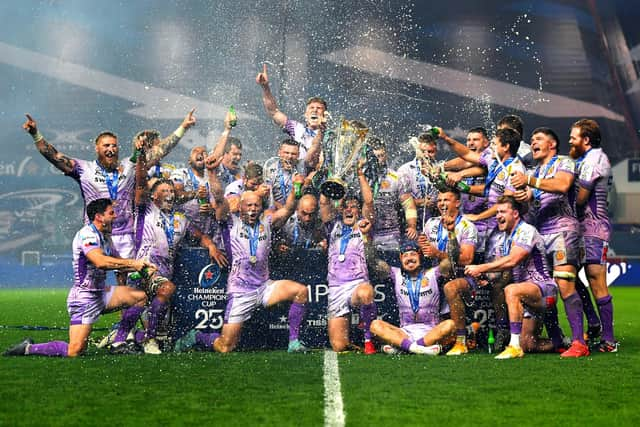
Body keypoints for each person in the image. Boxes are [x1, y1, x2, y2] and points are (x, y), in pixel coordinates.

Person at [23, 110, 196, 274]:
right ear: (97, 149)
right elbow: (54, 156)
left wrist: (184, 127)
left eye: (114, 145)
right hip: (96, 233)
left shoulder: (130, 165)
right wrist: (35, 134)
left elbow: (160, 151)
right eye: (106, 145)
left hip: (126, 235)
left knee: (126, 284)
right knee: (93, 282)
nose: (111, 149)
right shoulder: (84, 169)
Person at [109, 150, 228, 355]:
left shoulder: (180, 219)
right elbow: (139, 185)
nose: (169, 193)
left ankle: (121, 338)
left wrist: (210, 245)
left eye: (171, 190)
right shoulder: (145, 210)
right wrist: (140, 161)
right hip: (143, 267)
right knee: (166, 289)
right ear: (153, 196)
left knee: (143, 301)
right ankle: (149, 340)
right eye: (163, 190)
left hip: (165, 269)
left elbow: (199, 235)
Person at [178, 171, 310, 353]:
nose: (253, 209)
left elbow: (288, 209)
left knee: (301, 292)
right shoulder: (230, 222)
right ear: (240, 207)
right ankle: (198, 336)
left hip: (264, 287)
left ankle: (294, 343)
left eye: (256, 205)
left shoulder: (267, 223)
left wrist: (296, 189)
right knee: (225, 347)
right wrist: (212, 172)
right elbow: (218, 197)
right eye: (248, 205)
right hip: (240, 291)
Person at [3, 198, 155, 357]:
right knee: (75, 351)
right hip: (84, 298)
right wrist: (134, 264)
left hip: (100, 293)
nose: (115, 216)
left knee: (139, 297)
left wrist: (143, 268)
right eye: (111, 213)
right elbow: (100, 262)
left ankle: (119, 341)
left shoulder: (105, 236)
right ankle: (28, 348)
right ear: (99, 217)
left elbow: (121, 264)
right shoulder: (86, 234)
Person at [510, 127, 588, 358]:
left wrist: (530, 182)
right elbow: (535, 200)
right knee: (547, 288)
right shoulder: (535, 171)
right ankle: (557, 339)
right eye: (532, 140)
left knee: (565, 285)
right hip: (540, 235)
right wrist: (524, 197)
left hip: (563, 232)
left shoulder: (564, 162)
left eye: (539, 139)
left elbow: (562, 186)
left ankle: (579, 343)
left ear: (552, 145)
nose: (533, 142)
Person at [465, 196, 560, 359]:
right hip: (524, 295)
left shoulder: (526, 231)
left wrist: (480, 267)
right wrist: (485, 277)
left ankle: (513, 346)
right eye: (497, 212)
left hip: (544, 289)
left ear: (515, 214)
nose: (497, 216)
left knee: (511, 290)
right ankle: (561, 343)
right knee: (529, 344)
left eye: (502, 212)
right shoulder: (503, 238)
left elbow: (513, 260)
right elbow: (500, 268)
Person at [319, 162, 378, 354]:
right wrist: (332, 178)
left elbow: (369, 202)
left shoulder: (363, 225)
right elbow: (324, 203)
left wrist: (361, 174)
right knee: (339, 346)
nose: (349, 210)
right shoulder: (333, 225)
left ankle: (368, 340)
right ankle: (352, 344)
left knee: (366, 293)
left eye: (354, 207)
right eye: (345, 206)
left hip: (356, 284)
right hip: (336, 288)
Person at [569, 119, 617, 352]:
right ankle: (595, 322)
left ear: (586, 140)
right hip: (580, 229)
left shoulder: (595, 159)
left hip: (594, 230)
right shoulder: (584, 160)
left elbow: (580, 199)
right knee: (567, 274)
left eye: (573, 137)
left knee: (596, 280)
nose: (569, 140)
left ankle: (608, 340)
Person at [369, 240, 456, 355]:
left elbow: (452, 258)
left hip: (431, 332)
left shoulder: (433, 273)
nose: (409, 258)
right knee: (375, 325)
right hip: (404, 333)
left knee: (450, 324)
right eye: (405, 255)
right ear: (400, 259)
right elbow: (372, 261)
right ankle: (418, 348)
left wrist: (451, 234)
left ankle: (405, 348)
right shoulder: (396, 274)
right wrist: (365, 237)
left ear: (420, 256)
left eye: (413, 254)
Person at [419, 190, 478, 355]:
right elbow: (426, 253)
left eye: (446, 200)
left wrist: (437, 253)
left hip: (463, 279)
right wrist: (421, 246)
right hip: (436, 279)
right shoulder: (431, 223)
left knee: (450, 283)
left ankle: (461, 342)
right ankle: (468, 330)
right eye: (439, 200)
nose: (442, 204)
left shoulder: (466, 226)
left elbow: (466, 259)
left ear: (458, 203)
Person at [256, 63, 327, 162]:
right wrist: (265, 87)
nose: (315, 110)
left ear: (325, 115)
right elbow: (273, 112)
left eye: (319, 108)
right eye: (311, 108)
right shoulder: (296, 128)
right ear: (305, 114)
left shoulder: (329, 135)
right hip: (296, 172)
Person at [367, 137, 418, 250]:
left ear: (386, 155)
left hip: (390, 236)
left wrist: (412, 226)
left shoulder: (397, 177)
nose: (378, 160)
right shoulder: (361, 178)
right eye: (375, 157)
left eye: (381, 156)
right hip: (366, 233)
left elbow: (408, 204)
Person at [397, 132, 440, 230]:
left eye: (430, 152)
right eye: (422, 151)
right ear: (417, 150)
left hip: (435, 226)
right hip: (412, 226)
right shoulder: (405, 170)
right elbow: (398, 200)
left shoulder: (441, 169)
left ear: (436, 151)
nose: (426, 155)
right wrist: (418, 202)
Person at [264, 139, 302, 208]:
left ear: (298, 155)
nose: (290, 156)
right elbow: (268, 198)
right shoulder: (270, 170)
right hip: (277, 210)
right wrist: (285, 210)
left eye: (293, 154)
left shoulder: (302, 167)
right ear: (280, 153)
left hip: (298, 209)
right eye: (286, 153)